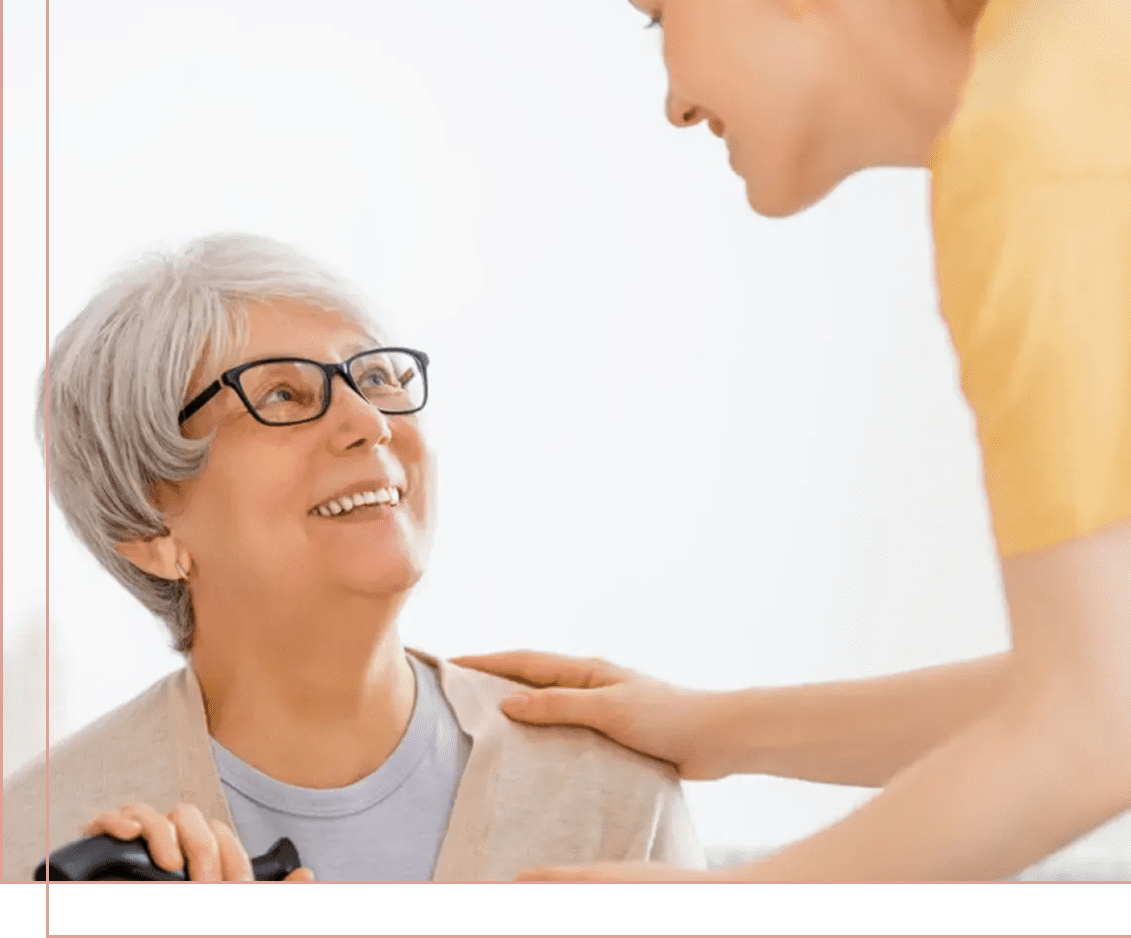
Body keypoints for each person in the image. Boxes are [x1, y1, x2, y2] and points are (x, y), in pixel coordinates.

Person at [453, 0, 1131, 883]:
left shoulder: (1045, 143)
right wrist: (713, 728)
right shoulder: (1126, 60)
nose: (674, 103)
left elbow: (1097, 736)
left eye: (658, 10)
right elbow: (1129, 685)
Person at [3, 233, 703, 882]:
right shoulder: (34, 839)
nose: (369, 422)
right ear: (153, 528)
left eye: (375, 378)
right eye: (281, 393)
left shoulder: (611, 790)